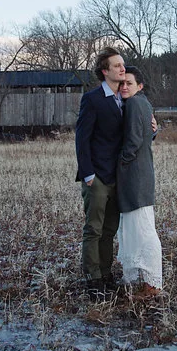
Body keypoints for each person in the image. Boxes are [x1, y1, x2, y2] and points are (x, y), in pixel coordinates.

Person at [75, 48, 126, 298]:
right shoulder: (92, 99)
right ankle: (92, 279)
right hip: (96, 178)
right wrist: (88, 175)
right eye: (117, 65)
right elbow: (81, 140)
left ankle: (106, 275)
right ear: (105, 71)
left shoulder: (126, 98)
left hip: (118, 178)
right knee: (93, 229)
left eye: (123, 65)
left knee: (109, 230)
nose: (122, 69)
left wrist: (154, 129)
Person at [116, 66, 162, 298]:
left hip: (135, 174)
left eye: (129, 83)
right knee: (138, 226)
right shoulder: (142, 103)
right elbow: (146, 131)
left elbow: (133, 141)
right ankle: (144, 280)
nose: (124, 87)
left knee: (143, 229)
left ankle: (153, 284)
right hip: (141, 172)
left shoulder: (134, 103)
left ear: (140, 86)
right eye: (122, 83)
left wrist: (119, 162)